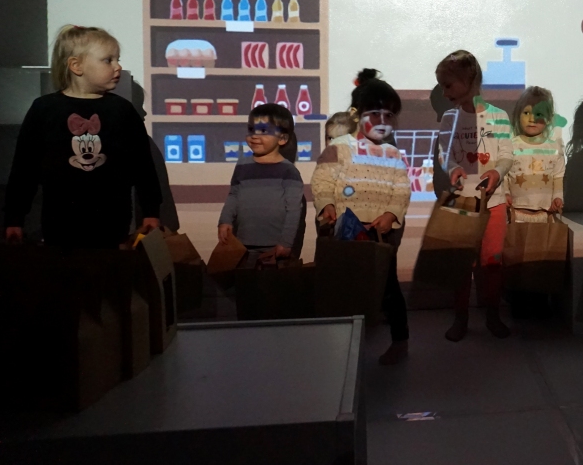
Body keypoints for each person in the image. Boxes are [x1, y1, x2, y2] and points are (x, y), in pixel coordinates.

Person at [4, 25, 161, 251]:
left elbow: (143, 166)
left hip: (113, 227)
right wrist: (14, 218)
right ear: (76, 66)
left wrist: (151, 211)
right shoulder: (44, 109)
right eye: (108, 60)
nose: (117, 67)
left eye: (117, 60)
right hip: (59, 227)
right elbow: (24, 168)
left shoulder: (122, 110)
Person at [311, 69, 412, 365]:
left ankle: (400, 342)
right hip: (345, 232)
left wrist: (391, 214)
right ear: (356, 115)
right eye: (375, 114)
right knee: (344, 288)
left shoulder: (393, 154)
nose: (382, 121)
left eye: (389, 116)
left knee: (388, 287)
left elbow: (401, 190)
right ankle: (340, 344)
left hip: (380, 235)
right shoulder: (338, 147)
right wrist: (327, 205)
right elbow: (322, 181)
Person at [436, 50, 514, 342]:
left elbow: (506, 155)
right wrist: (453, 168)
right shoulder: (449, 118)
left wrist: (497, 172)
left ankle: (493, 315)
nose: (445, 93)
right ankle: (461, 318)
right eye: (442, 86)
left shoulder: (499, 116)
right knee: (460, 264)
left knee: (492, 263)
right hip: (462, 202)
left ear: (470, 80)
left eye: (448, 85)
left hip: (493, 202)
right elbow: (445, 154)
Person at [217, 104, 304, 269]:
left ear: (282, 138)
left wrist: (286, 242)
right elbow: (233, 195)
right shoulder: (242, 165)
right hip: (242, 244)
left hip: (274, 248)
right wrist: (225, 221)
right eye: (251, 129)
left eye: (263, 131)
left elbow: (293, 210)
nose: (254, 136)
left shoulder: (288, 171)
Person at [505, 86, 565, 222]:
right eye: (526, 113)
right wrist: (506, 193)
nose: (532, 119)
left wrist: (558, 197)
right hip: (516, 214)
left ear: (548, 118)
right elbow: (505, 176)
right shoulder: (511, 146)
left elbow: (558, 176)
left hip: (545, 215)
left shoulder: (554, 148)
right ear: (518, 115)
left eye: (538, 114)